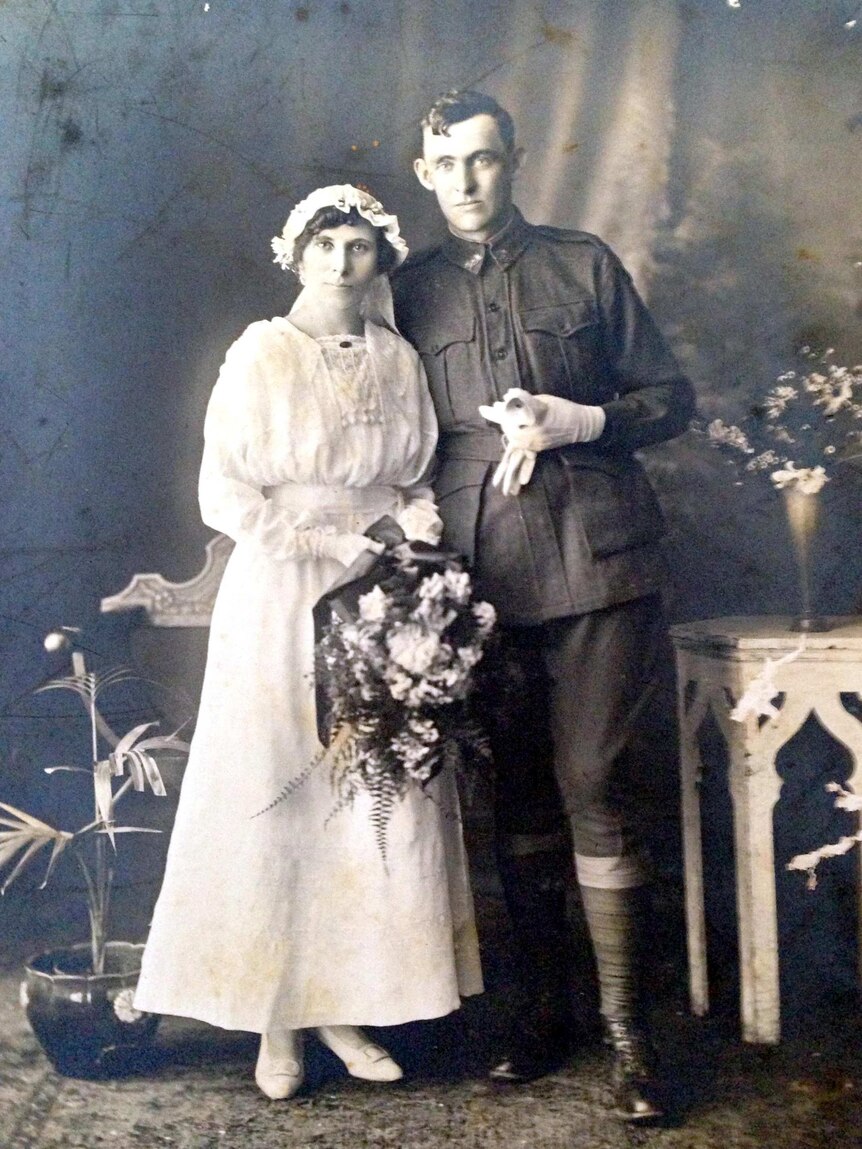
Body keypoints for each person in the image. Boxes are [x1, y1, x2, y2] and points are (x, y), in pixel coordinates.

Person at [134, 184, 483, 1100]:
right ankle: (277, 1017)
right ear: (297, 253)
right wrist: (335, 543)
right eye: (325, 243)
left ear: (381, 260)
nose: (341, 262)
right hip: (284, 589)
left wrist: (411, 544)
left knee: (369, 790)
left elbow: (414, 478)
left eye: (359, 246)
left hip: (378, 591)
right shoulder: (262, 352)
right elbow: (228, 497)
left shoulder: (400, 358)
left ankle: (345, 1004)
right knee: (279, 785)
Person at [392, 90, 695, 1123]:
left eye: (484, 159)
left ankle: (628, 1036)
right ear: (423, 170)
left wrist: (585, 418)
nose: (468, 181)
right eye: (448, 163)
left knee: (594, 781)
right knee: (515, 798)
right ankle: (541, 1016)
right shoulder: (403, 292)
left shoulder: (581, 261)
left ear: (513, 162)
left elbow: (670, 397)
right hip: (475, 577)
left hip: (599, 560)